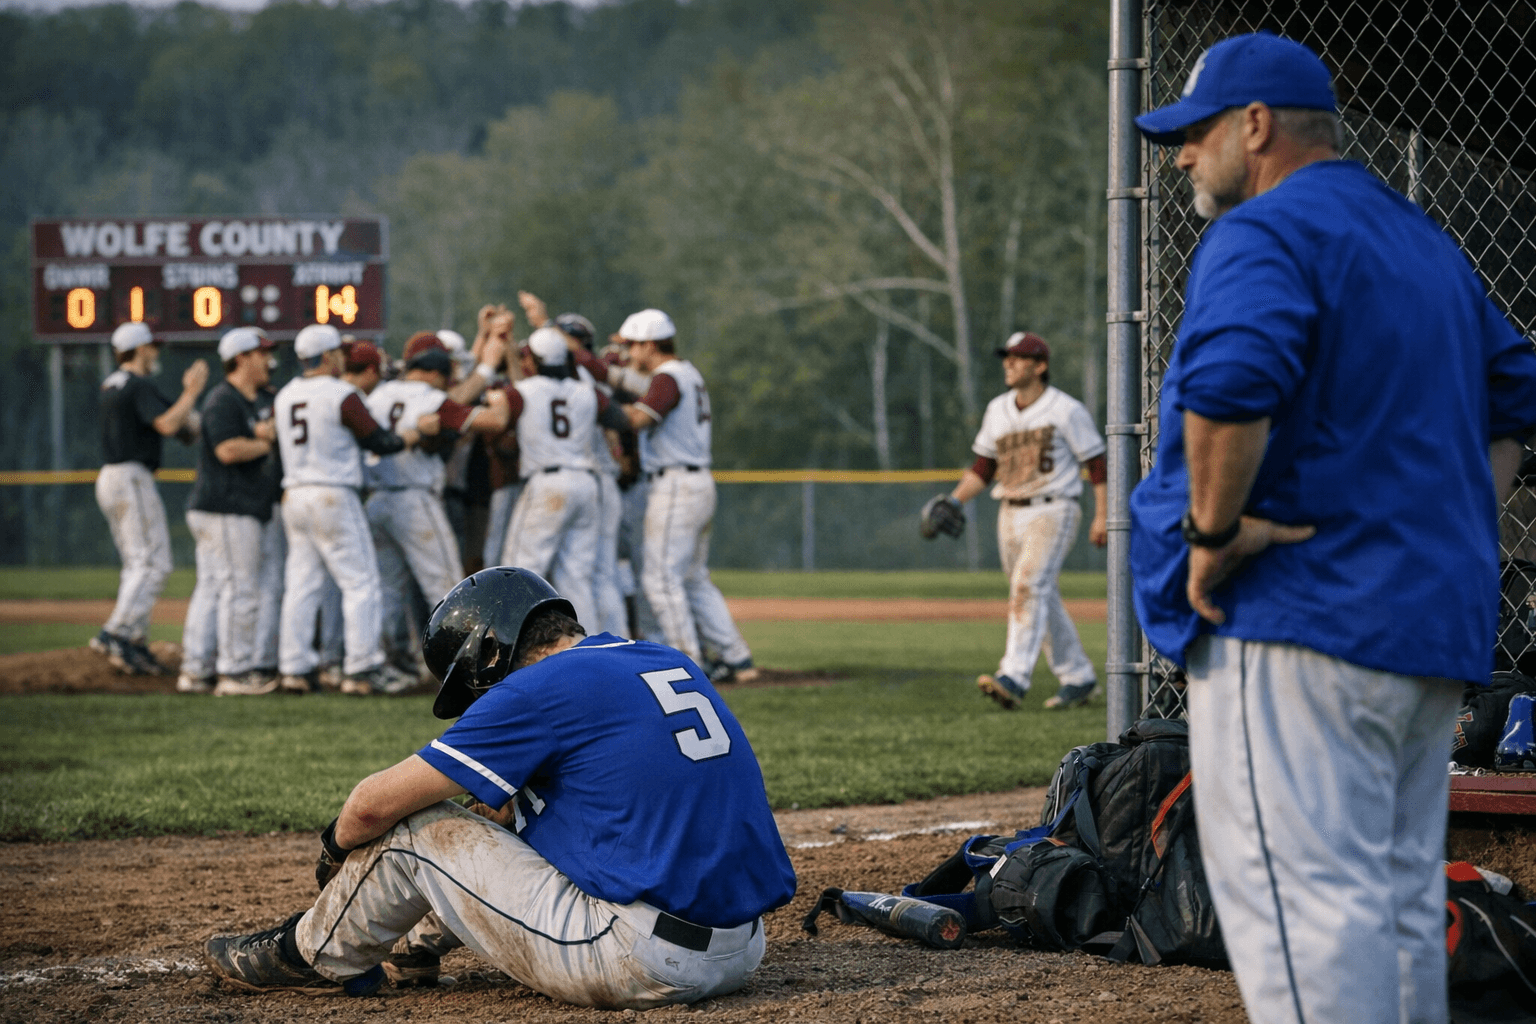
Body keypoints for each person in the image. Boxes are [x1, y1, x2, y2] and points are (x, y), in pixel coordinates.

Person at [1128, 32, 1536, 1024]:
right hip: (1421, 630)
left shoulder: (1266, 231)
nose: (1182, 155)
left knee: (1307, 926)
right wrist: (1443, 524)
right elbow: (1515, 389)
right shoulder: (1421, 239)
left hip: (1298, 627)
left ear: (1255, 126)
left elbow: (1229, 386)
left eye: (1197, 131)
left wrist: (1213, 530)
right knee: (1392, 910)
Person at [203, 566, 796, 1008]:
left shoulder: (537, 687)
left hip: (639, 960)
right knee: (505, 818)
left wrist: (335, 848)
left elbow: (369, 806)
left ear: (490, 650)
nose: (479, 700)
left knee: (416, 828)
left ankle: (311, 954)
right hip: (742, 953)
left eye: (474, 683)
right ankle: (415, 944)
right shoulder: (662, 658)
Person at [939, 332, 1106, 711]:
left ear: (1040, 366)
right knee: (1036, 591)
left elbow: (1096, 464)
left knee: (1028, 586)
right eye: (1007, 357)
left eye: (1019, 358)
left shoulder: (1065, 409)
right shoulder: (998, 409)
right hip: (1010, 510)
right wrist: (954, 500)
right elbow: (984, 467)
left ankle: (1013, 676)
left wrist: (1104, 514)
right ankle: (1078, 675)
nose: (1009, 364)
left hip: (1053, 507)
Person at [596, 309, 757, 681]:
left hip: (676, 485)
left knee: (660, 578)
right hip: (697, 482)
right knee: (694, 577)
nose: (629, 351)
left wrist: (599, 404)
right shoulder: (687, 373)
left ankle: (690, 662)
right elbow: (634, 383)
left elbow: (637, 419)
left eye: (633, 343)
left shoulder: (667, 377)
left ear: (650, 344)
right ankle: (737, 657)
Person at [273, 324, 419, 696]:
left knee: (301, 585)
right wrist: (412, 435)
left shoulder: (285, 395)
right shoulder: (342, 393)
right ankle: (361, 668)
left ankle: (294, 667)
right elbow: (380, 441)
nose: (343, 358)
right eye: (338, 352)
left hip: (295, 492)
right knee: (361, 583)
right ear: (328, 356)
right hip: (332, 493)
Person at [366, 332, 508, 676]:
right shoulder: (432, 398)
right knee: (446, 587)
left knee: (386, 589)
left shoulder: (377, 394)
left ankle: (391, 663)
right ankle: (468, 666)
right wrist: (498, 399)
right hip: (415, 500)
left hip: (375, 499)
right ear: (436, 371)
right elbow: (494, 421)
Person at [92, 321, 208, 676]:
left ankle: (134, 640)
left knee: (137, 563)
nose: (156, 352)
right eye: (152, 346)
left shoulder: (113, 384)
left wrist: (194, 416)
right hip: (132, 478)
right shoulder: (138, 385)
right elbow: (168, 425)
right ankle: (116, 632)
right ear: (140, 349)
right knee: (153, 563)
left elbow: (182, 427)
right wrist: (192, 392)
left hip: (112, 477)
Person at [499, 326, 629, 630]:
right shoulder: (587, 391)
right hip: (586, 483)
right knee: (577, 577)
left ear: (532, 358)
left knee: (520, 571)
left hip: (547, 484)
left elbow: (501, 415)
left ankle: (507, 649)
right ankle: (588, 651)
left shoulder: (523, 390)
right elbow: (620, 419)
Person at [178, 327, 281, 696]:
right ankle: (233, 673)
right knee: (240, 589)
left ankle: (196, 670)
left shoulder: (252, 398)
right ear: (241, 358)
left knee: (213, 588)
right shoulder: (224, 399)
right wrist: (265, 441)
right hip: (227, 507)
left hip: (225, 508)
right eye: (261, 353)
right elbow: (227, 450)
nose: (268, 359)